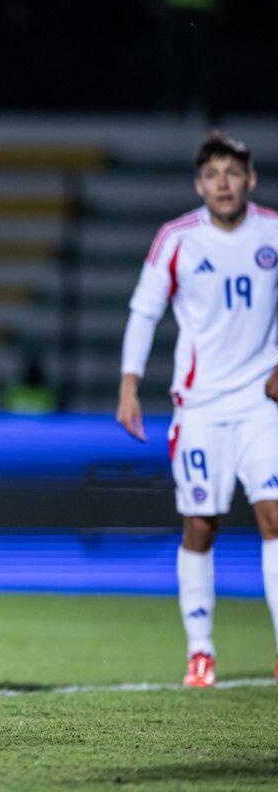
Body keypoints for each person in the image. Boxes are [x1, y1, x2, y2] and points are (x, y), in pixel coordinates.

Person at [117, 131, 278, 688]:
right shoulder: (177, 238)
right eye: (212, 175)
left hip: (263, 402)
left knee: (275, 518)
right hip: (201, 407)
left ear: (249, 179)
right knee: (200, 524)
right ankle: (201, 650)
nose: (223, 184)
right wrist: (129, 386)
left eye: (232, 173)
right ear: (198, 185)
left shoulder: (274, 233)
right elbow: (144, 312)